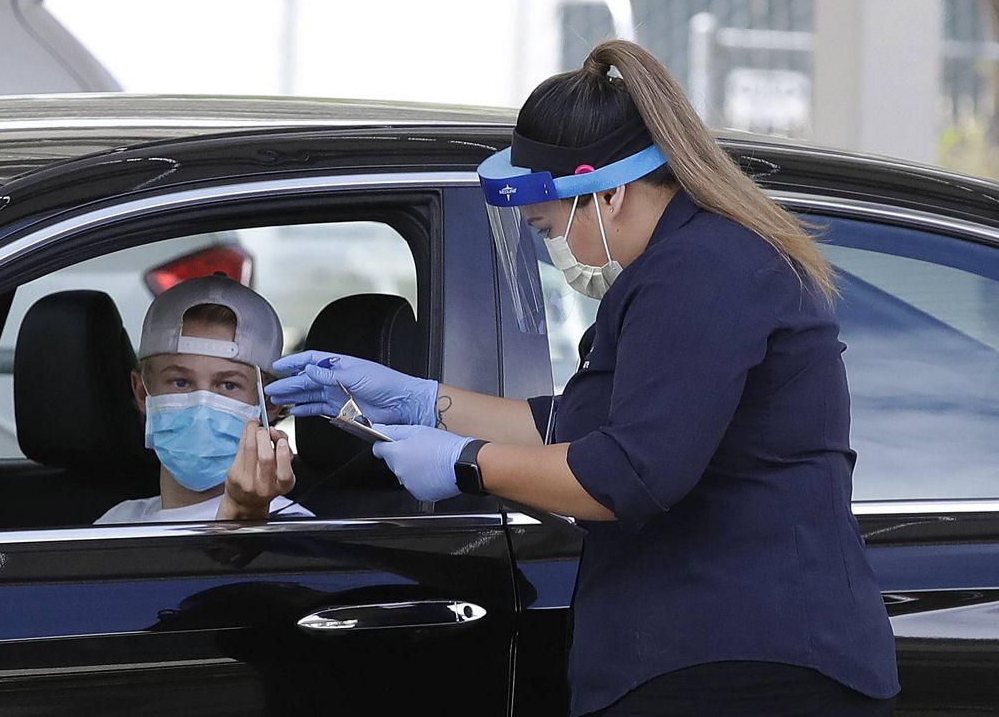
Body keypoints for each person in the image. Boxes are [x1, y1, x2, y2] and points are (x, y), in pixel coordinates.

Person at [265, 40, 898, 717]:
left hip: (745, 662)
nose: (549, 245)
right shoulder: (678, 269)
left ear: (610, 193)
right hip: (706, 651)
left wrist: (469, 464)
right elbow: (571, 424)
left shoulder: (703, 274)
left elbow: (628, 472)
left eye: (544, 227)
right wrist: (419, 401)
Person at [97, 274, 311, 524]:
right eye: (180, 382)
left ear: (270, 403)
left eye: (229, 385)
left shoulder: (292, 527)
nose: (202, 407)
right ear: (143, 393)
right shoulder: (115, 523)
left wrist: (247, 520)